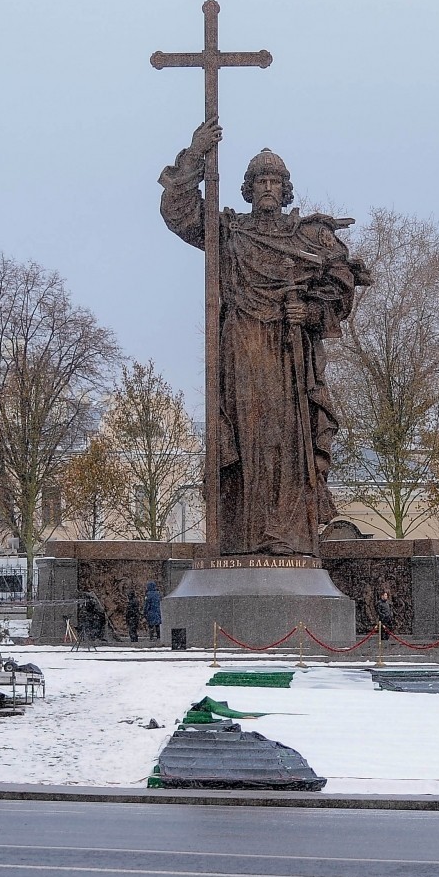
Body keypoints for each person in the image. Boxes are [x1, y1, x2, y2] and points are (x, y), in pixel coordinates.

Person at [160, 119, 371, 556]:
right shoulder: (231, 233)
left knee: (287, 443)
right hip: (241, 348)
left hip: (287, 353)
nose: (268, 187)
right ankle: (243, 535)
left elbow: (340, 292)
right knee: (247, 441)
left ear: (286, 188)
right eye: (260, 180)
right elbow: (179, 213)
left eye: (276, 180)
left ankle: (287, 536)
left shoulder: (306, 238)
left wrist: (309, 311)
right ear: (248, 188)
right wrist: (196, 154)